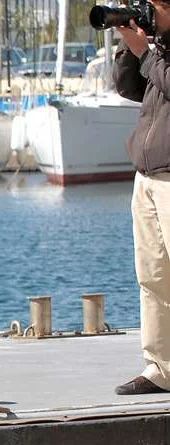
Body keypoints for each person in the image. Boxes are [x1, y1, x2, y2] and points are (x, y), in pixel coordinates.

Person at [114, 4, 170, 395]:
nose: (151, 11)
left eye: (157, 6)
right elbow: (128, 88)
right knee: (152, 277)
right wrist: (128, 46)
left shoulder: (159, 52)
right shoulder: (159, 46)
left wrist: (147, 54)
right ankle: (160, 369)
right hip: (147, 177)